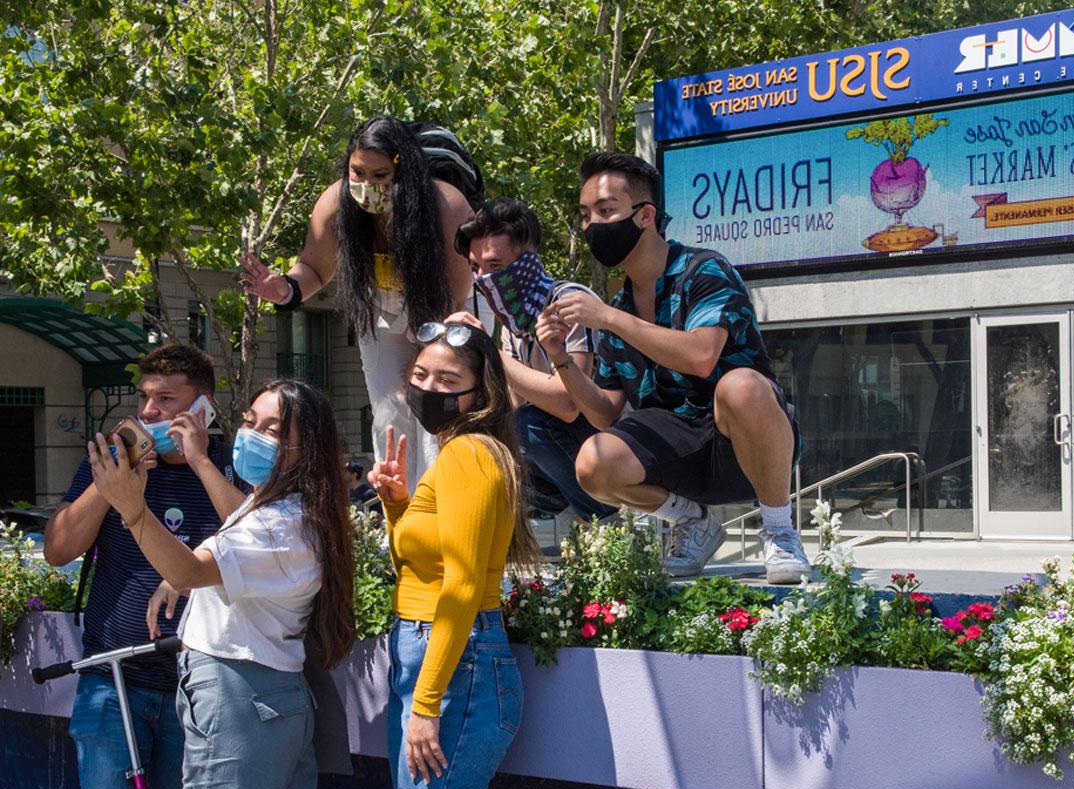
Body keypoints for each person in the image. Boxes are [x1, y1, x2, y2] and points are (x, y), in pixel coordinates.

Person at [539, 152, 810, 584]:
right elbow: (606, 413)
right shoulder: (617, 307)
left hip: (742, 447)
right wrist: (560, 358)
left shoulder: (704, 270)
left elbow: (701, 357)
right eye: (586, 214)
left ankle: (778, 531)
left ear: (645, 215)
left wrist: (609, 319)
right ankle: (691, 522)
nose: (593, 225)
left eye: (606, 210)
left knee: (741, 386)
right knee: (593, 461)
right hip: (676, 454)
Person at [86, 378, 356, 789]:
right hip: (266, 700)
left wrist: (132, 509)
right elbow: (223, 555)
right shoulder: (283, 510)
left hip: (240, 699)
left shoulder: (280, 524)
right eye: (249, 421)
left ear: (309, 449)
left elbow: (193, 570)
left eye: (271, 429)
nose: (250, 435)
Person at [43, 344, 247, 789]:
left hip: (199, 683)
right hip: (113, 680)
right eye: (143, 399)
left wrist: (200, 461)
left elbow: (255, 543)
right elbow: (58, 550)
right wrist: (111, 483)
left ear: (203, 408)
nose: (149, 410)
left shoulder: (232, 465)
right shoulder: (107, 466)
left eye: (166, 400)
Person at [241, 116, 480, 482]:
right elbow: (315, 268)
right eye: (358, 173)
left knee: (435, 411)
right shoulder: (335, 204)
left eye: (380, 176)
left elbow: (456, 295)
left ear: (405, 172)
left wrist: (429, 359)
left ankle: (442, 505)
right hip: (383, 311)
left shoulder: (446, 207)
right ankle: (396, 512)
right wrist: (285, 289)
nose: (367, 185)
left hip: (449, 314)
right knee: (388, 412)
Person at [368, 321, 540, 789]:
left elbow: (462, 585)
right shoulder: (458, 454)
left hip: (454, 664)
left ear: (479, 393)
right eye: (420, 375)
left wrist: (426, 704)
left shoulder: (469, 453)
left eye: (447, 381)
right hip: (435, 655)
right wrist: (397, 503)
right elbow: (420, 565)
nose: (427, 388)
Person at [448, 197, 617, 524]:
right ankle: (561, 511)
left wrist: (491, 352)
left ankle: (602, 515)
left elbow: (571, 405)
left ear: (526, 262)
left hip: (611, 438)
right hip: (561, 442)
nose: (483, 279)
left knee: (530, 425)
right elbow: (514, 406)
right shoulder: (513, 321)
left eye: (495, 266)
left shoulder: (568, 302)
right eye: (475, 268)